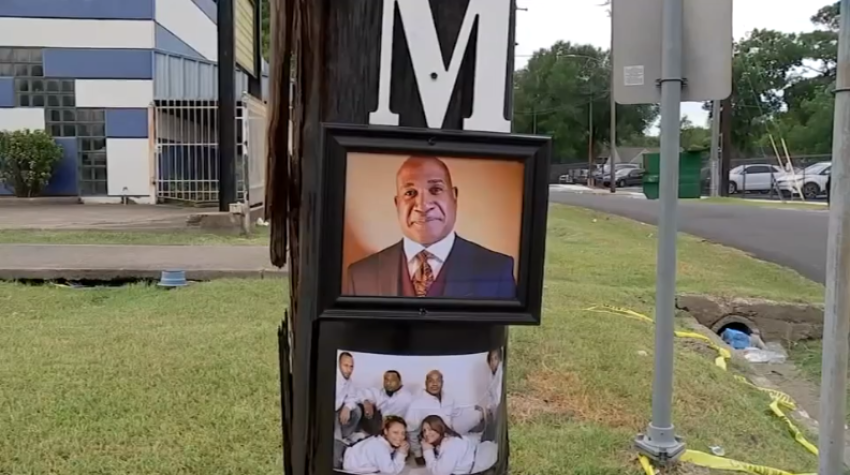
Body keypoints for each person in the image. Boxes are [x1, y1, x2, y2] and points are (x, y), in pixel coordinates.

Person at [345, 155, 516, 299]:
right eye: (410, 193)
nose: (423, 205)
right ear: (397, 204)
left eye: (435, 189)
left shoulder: (496, 270)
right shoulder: (360, 275)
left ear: (454, 196)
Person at [405, 370, 462, 465]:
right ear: (426, 383)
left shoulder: (449, 398)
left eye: (438, 380)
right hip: (431, 444)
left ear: (442, 383)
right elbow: (412, 431)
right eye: (431, 381)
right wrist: (418, 454)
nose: (435, 384)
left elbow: (455, 417)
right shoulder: (417, 404)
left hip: (449, 441)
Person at [420, 415, 498, 475]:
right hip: (485, 451)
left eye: (430, 429)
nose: (426, 433)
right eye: (424, 430)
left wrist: (427, 451)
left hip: (486, 459)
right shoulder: (447, 439)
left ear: (439, 427)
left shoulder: (450, 445)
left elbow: (439, 473)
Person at [341, 416, 410, 475]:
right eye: (395, 432)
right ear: (386, 431)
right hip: (341, 459)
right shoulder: (380, 448)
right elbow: (390, 472)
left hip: (345, 453)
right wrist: (401, 453)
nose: (400, 437)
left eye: (403, 433)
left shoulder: (381, 440)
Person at [335, 352, 366, 468]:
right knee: (336, 443)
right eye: (345, 365)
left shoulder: (349, 381)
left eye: (351, 366)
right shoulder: (333, 378)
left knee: (357, 410)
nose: (349, 370)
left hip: (339, 411)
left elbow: (353, 397)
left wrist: (347, 407)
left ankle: (346, 435)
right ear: (339, 364)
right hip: (329, 414)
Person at [360, 370, 414, 436]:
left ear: (399, 382)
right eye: (386, 380)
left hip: (394, 426)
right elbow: (361, 392)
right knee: (360, 405)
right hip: (379, 423)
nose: (388, 383)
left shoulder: (406, 397)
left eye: (392, 381)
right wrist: (366, 402)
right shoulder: (381, 392)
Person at [474, 349, 503, 442]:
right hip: (494, 409)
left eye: (496, 358)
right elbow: (491, 395)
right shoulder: (491, 376)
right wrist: (487, 408)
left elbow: (498, 396)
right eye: (491, 359)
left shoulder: (501, 372)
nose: (494, 362)